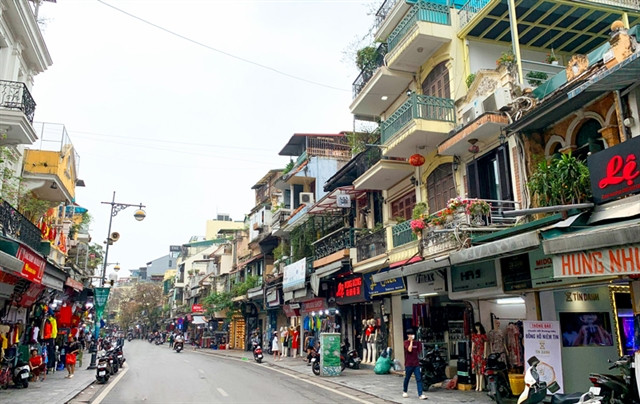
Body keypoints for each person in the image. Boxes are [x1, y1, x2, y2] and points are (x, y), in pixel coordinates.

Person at [402, 329, 427, 400]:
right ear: (408, 335)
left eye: (412, 334)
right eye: (410, 334)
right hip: (408, 364)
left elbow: (419, 351)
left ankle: (420, 394)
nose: (412, 335)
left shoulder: (417, 343)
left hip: (416, 364)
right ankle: (405, 391)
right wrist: (411, 342)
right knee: (407, 378)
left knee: (419, 378)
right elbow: (409, 350)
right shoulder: (406, 342)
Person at [471, 322, 488, 391]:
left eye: (478, 326)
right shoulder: (474, 336)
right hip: (475, 354)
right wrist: (472, 353)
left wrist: (484, 354)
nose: (477, 328)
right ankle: (477, 385)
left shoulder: (483, 336)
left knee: (481, 370)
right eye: (476, 327)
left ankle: (480, 386)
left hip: (481, 353)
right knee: (476, 369)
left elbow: (485, 345)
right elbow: (473, 344)